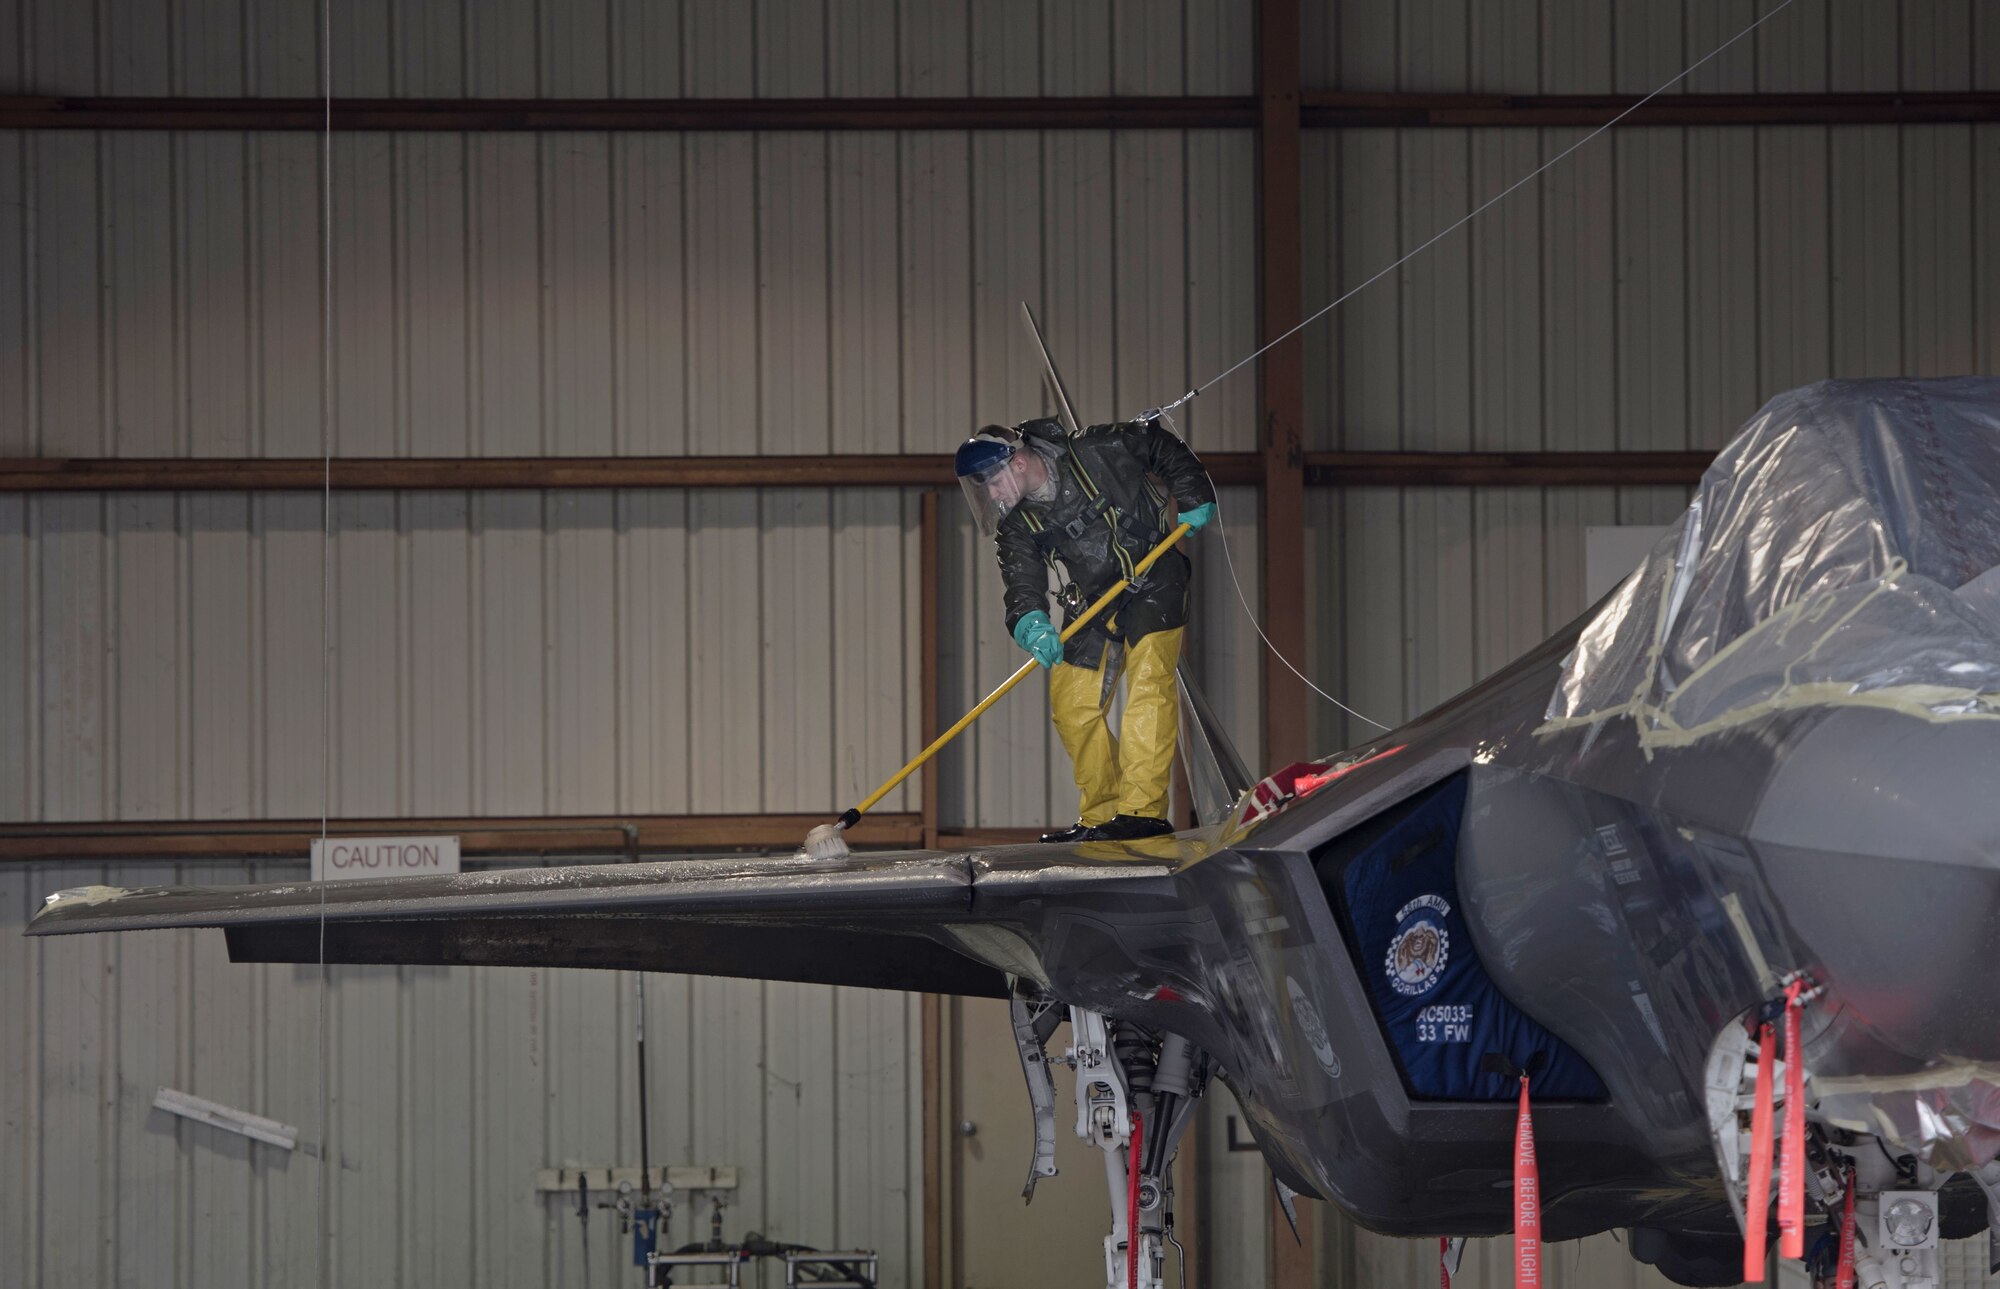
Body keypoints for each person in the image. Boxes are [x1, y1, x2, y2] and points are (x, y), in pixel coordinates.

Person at [954, 417, 1217, 842]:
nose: (993, 495)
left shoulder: (1097, 448)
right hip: (1095, 598)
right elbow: (1022, 583)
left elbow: (1156, 444)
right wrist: (1030, 622)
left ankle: (1141, 812)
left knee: (1149, 683)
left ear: (1018, 463)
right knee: (1072, 704)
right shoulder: (1018, 525)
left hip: (1156, 575)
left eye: (993, 483)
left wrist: (1192, 492)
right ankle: (1103, 813)